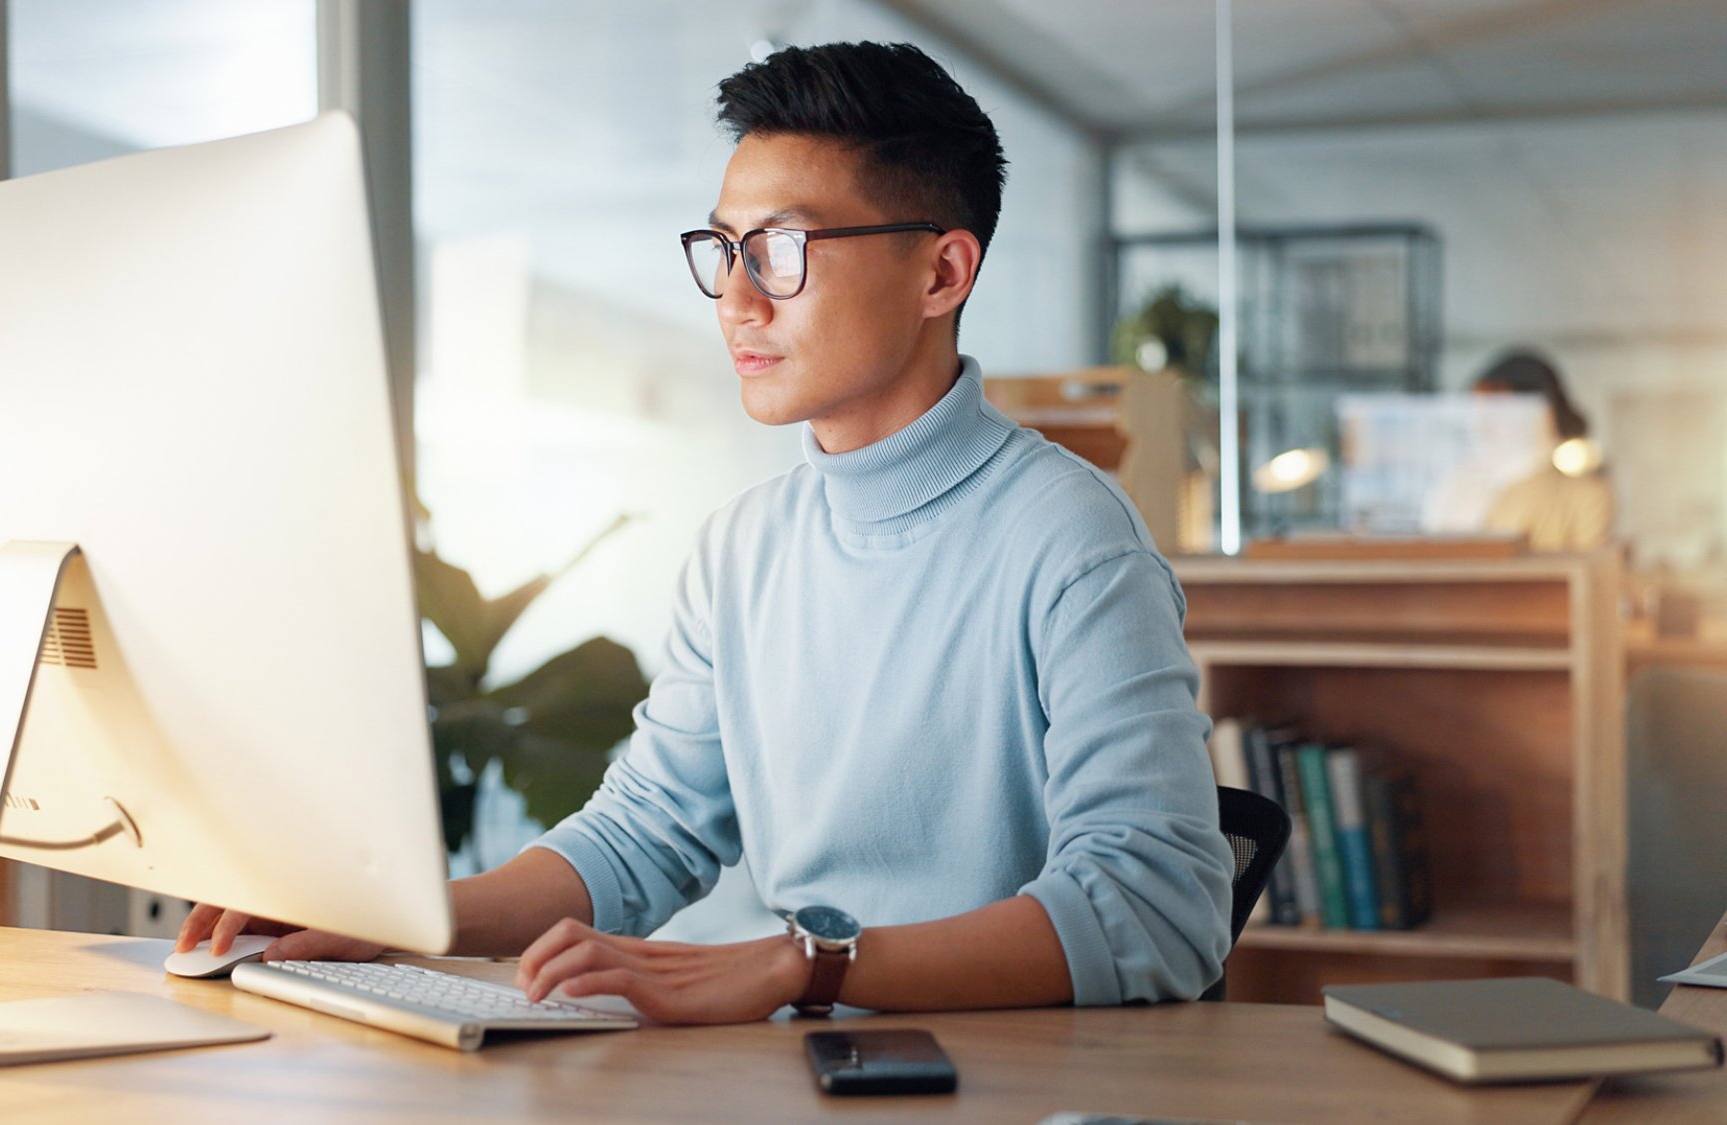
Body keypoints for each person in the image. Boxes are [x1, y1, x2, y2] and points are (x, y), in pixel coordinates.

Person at [177, 40, 1232, 1023]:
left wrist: (803, 962)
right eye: (722, 249)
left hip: (995, 1078)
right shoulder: (744, 546)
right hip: (795, 1064)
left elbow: (1155, 909)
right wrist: (402, 924)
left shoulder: (1070, 538)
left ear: (940, 274)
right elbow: (646, 834)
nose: (733, 299)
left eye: (777, 249)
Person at [1473, 350, 1612, 552]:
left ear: (1541, 416)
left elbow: (1586, 571)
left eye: (1498, 414)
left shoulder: (1586, 496)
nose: (1483, 428)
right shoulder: (1463, 487)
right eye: (1480, 415)